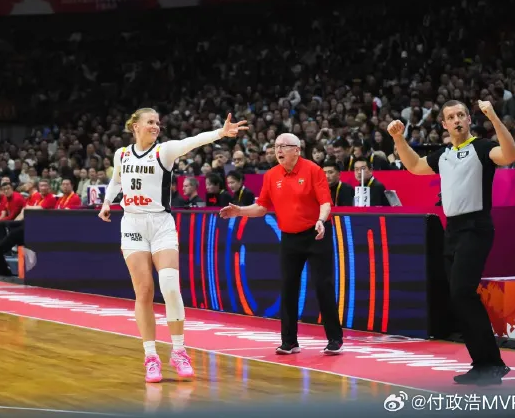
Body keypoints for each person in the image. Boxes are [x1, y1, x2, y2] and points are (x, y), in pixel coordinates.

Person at [98, 108, 247, 383]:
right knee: (144, 291)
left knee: (169, 287)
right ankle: (150, 356)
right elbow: (116, 181)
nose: (156, 126)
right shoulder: (122, 154)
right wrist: (107, 202)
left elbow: (192, 141)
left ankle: (179, 351)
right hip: (132, 225)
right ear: (136, 126)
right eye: (150, 122)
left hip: (161, 224)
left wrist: (221, 133)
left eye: (158, 122)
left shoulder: (163, 151)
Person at [387, 100, 515, 385]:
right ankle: (483, 364)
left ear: (469, 119)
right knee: (459, 297)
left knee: (462, 293)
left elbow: (510, 155)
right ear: (444, 124)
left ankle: (491, 363)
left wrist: (493, 117)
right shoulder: (444, 154)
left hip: (476, 227)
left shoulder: (482, 147)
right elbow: (415, 166)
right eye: (451, 117)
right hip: (453, 230)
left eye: (461, 115)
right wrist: (398, 138)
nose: (456, 120)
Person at [219, 133, 344, 356]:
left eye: (284, 146)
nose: (278, 150)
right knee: (288, 288)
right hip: (289, 238)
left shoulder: (313, 170)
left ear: (297, 150)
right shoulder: (271, 175)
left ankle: (334, 339)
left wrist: (321, 220)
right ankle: (289, 342)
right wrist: (239, 211)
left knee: (323, 285)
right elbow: (262, 207)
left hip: (316, 233)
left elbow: (326, 202)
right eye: (276, 146)